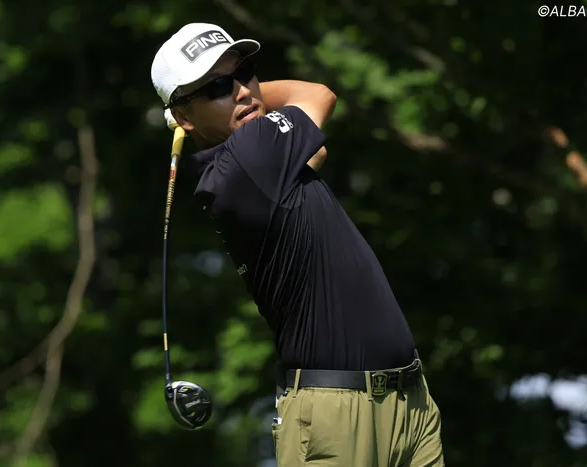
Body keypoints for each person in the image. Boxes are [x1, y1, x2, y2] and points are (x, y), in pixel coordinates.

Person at [150, 22, 445, 467]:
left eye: (244, 72)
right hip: (338, 417)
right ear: (185, 118)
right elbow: (316, 94)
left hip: (410, 402)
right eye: (216, 87)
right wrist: (246, 96)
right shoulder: (250, 156)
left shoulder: (252, 165)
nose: (243, 91)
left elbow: (315, 150)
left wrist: (228, 94)